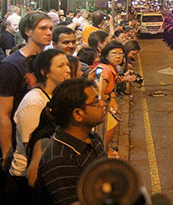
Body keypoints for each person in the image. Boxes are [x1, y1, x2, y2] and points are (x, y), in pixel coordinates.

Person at [5, 49, 70, 204]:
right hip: (25, 182)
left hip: (46, 176)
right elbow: (32, 147)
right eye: (61, 66)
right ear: (45, 72)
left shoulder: (55, 96)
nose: (68, 69)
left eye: (67, 64)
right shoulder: (34, 102)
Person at [0, 11, 52, 201]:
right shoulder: (11, 66)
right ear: (28, 31)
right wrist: (7, 154)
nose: (49, 32)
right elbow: (3, 113)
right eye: (43, 28)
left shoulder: (48, 62)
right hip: (21, 148)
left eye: (51, 28)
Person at [36, 78, 107, 205]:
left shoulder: (93, 138)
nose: (102, 104)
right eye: (96, 101)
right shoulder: (60, 160)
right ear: (77, 114)